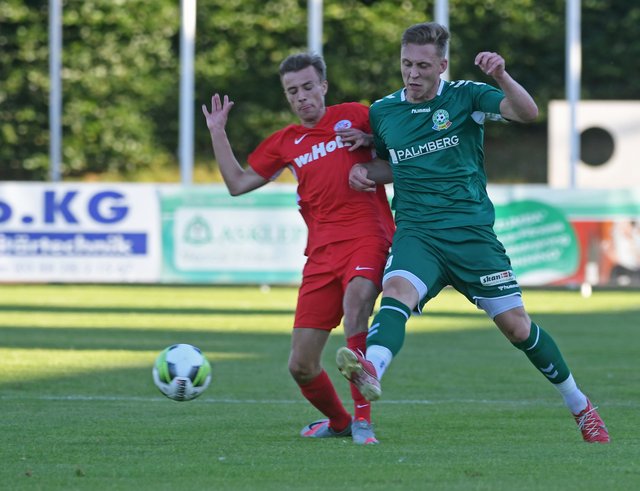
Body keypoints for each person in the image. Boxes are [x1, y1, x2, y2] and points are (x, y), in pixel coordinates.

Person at [336, 22, 610, 444]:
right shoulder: (384, 111)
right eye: (406, 64)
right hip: (418, 233)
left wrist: (501, 76)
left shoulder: (467, 96)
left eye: (423, 65)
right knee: (396, 291)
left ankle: (581, 406)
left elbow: (527, 113)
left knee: (517, 328)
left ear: (442, 65)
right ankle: (372, 367)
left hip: (471, 236)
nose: (412, 73)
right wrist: (365, 170)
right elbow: (395, 164)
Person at [202, 53, 394, 445]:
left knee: (356, 304)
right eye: (293, 91)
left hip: (367, 236)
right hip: (321, 255)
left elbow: (404, 153)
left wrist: (371, 141)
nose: (301, 96)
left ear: (323, 86)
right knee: (301, 365)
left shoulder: (357, 115)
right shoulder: (285, 142)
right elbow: (237, 184)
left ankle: (364, 422)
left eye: (308, 87)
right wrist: (217, 131)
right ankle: (339, 422)